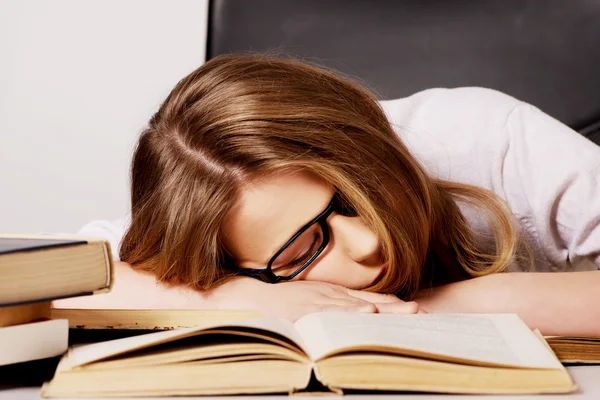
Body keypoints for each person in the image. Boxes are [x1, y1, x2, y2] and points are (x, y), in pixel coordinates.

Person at [59, 54, 600, 337]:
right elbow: (38, 288)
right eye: (300, 253)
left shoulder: (488, 136)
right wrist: (238, 299)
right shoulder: (211, 204)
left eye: (353, 194)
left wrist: (456, 303)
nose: (367, 242)